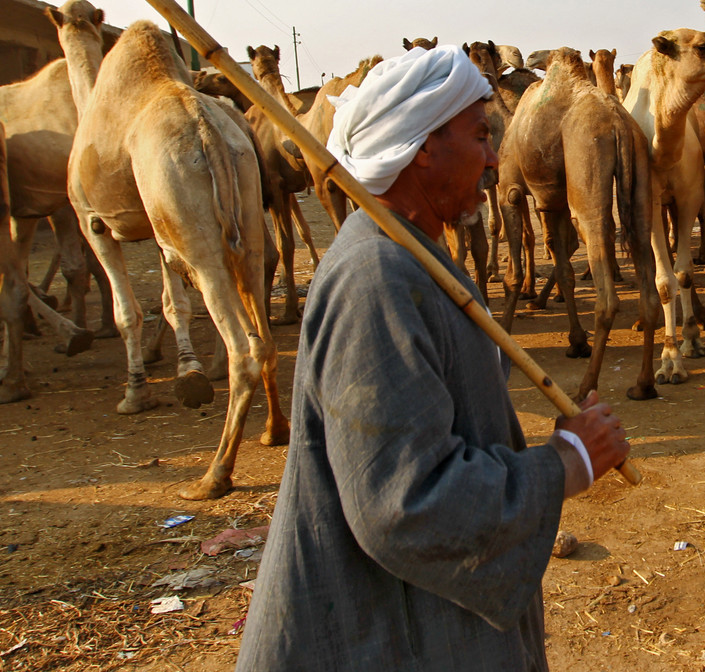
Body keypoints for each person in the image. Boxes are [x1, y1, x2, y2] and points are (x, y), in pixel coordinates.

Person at [236, 46, 630, 671]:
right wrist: (563, 466)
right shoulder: (376, 278)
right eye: (480, 136)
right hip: (381, 635)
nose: (497, 158)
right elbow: (403, 500)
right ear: (421, 147)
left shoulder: (416, 256)